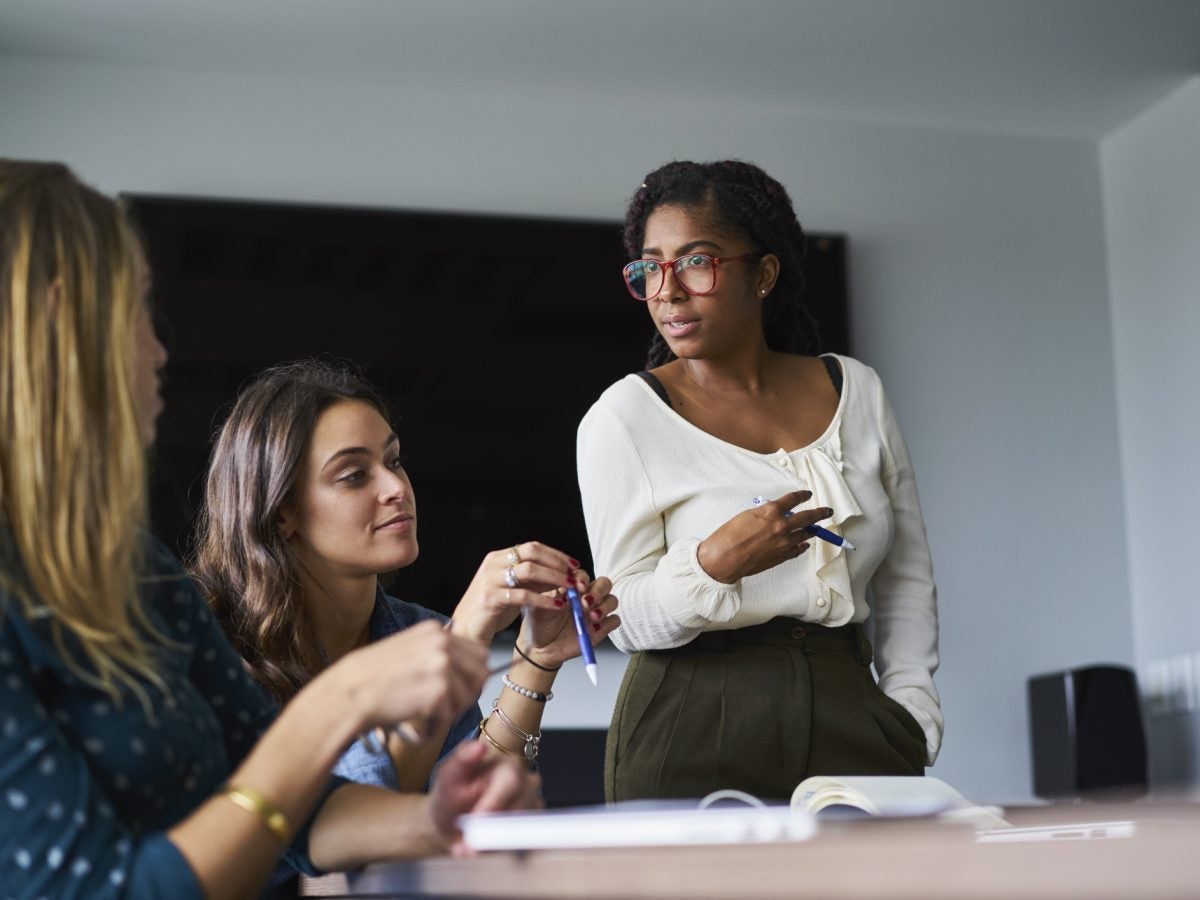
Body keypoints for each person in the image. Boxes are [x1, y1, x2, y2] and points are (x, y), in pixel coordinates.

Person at [0, 160, 540, 899]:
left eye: (394, 462)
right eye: (136, 311)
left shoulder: (141, 573)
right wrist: (339, 703)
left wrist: (438, 818)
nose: (158, 351)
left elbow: (301, 817)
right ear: (62, 325)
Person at [576, 159, 942, 802]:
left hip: (853, 715)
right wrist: (712, 565)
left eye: (696, 261)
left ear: (764, 273)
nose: (668, 290)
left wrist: (913, 707)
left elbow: (906, 572)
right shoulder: (622, 419)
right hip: (690, 722)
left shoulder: (856, 388)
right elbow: (621, 621)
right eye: (650, 267)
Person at [190, 359, 620, 794]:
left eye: (394, 461)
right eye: (354, 475)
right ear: (283, 512)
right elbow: (341, 829)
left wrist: (535, 659)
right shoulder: (208, 646)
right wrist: (463, 638)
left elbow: (460, 810)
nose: (396, 487)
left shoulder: (419, 632)